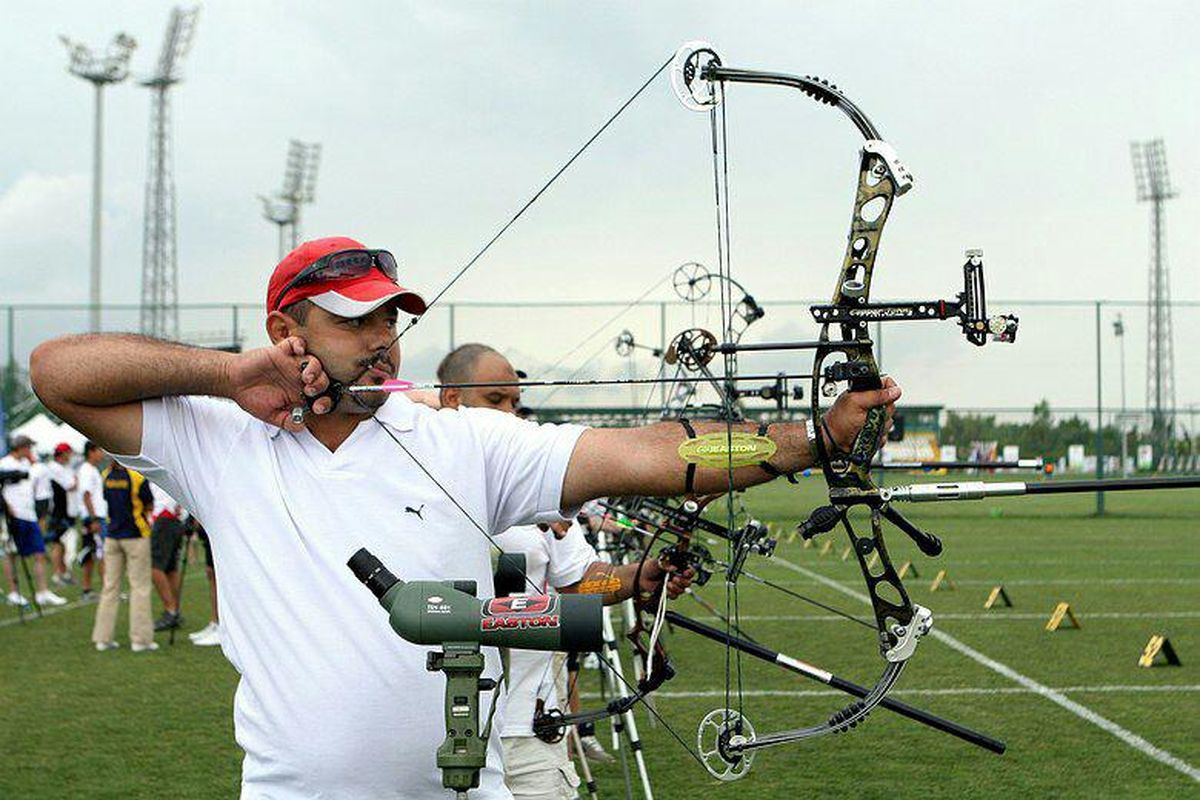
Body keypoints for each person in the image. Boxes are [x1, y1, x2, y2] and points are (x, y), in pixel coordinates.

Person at [29, 235, 897, 799]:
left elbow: (651, 454)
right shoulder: (220, 440)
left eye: (391, 319)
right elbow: (56, 372)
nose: (381, 340)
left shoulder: (461, 441)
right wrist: (231, 377)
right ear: (283, 330)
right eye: (351, 319)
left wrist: (812, 437)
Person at [436, 343, 690, 799]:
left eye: (514, 401)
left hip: (531, 726)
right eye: (495, 400)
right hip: (441, 729)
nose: (510, 413)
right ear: (451, 399)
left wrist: (642, 575)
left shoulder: (535, 488)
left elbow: (580, 580)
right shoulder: (416, 479)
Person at [91, 460, 157, 652]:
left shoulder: (106, 475)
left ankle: (102, 638)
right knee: (140, 587)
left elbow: (106, 499)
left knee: (109, 587)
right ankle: (141, 640)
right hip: (136, 536)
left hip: (112, 536)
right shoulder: (137, 477)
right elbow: (149, 504)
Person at [1, 435, 68, 607]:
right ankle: (14, 593)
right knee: (12, 554)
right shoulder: (5, 463)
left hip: (29, 515)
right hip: (14, 516)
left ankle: (42, 592)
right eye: (28, 447)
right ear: (21, 447)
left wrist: (31, 461)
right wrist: (7, 508)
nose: (30, 451)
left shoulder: (26, 464)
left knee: (39, 552)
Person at [149, 482, 186, 631]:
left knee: (155, 567)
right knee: (171, 568)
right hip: (175, 519)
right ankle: (174, 610)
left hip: (164, 516)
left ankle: (171, 611)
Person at [76, 441, 107, 601]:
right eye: (99, 450)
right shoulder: (87, 470)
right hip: (93, 517)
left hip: (94, 516)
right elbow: (86, 495)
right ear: (91, 452)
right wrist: (94, 518)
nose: (102, 454)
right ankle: (108, 591)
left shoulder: (91, 469)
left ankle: (87, 590)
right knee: (101, 553)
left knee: (92, 554)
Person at [45, 442, 79, 586]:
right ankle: (57, 575)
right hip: (60, 512)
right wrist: (76, 480)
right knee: (57, 544)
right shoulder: (55, 468)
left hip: (66, 511)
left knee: (62, 543)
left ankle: (63, 573)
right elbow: (71, 486)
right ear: (63, 454)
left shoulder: (62, 468)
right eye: (69, 453)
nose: (71, 456)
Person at [186, 519, 221, 647]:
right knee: (211, 573)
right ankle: (215, 622)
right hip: (209, 531)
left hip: (218, 530)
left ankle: (222, 626)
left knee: (217, 577)